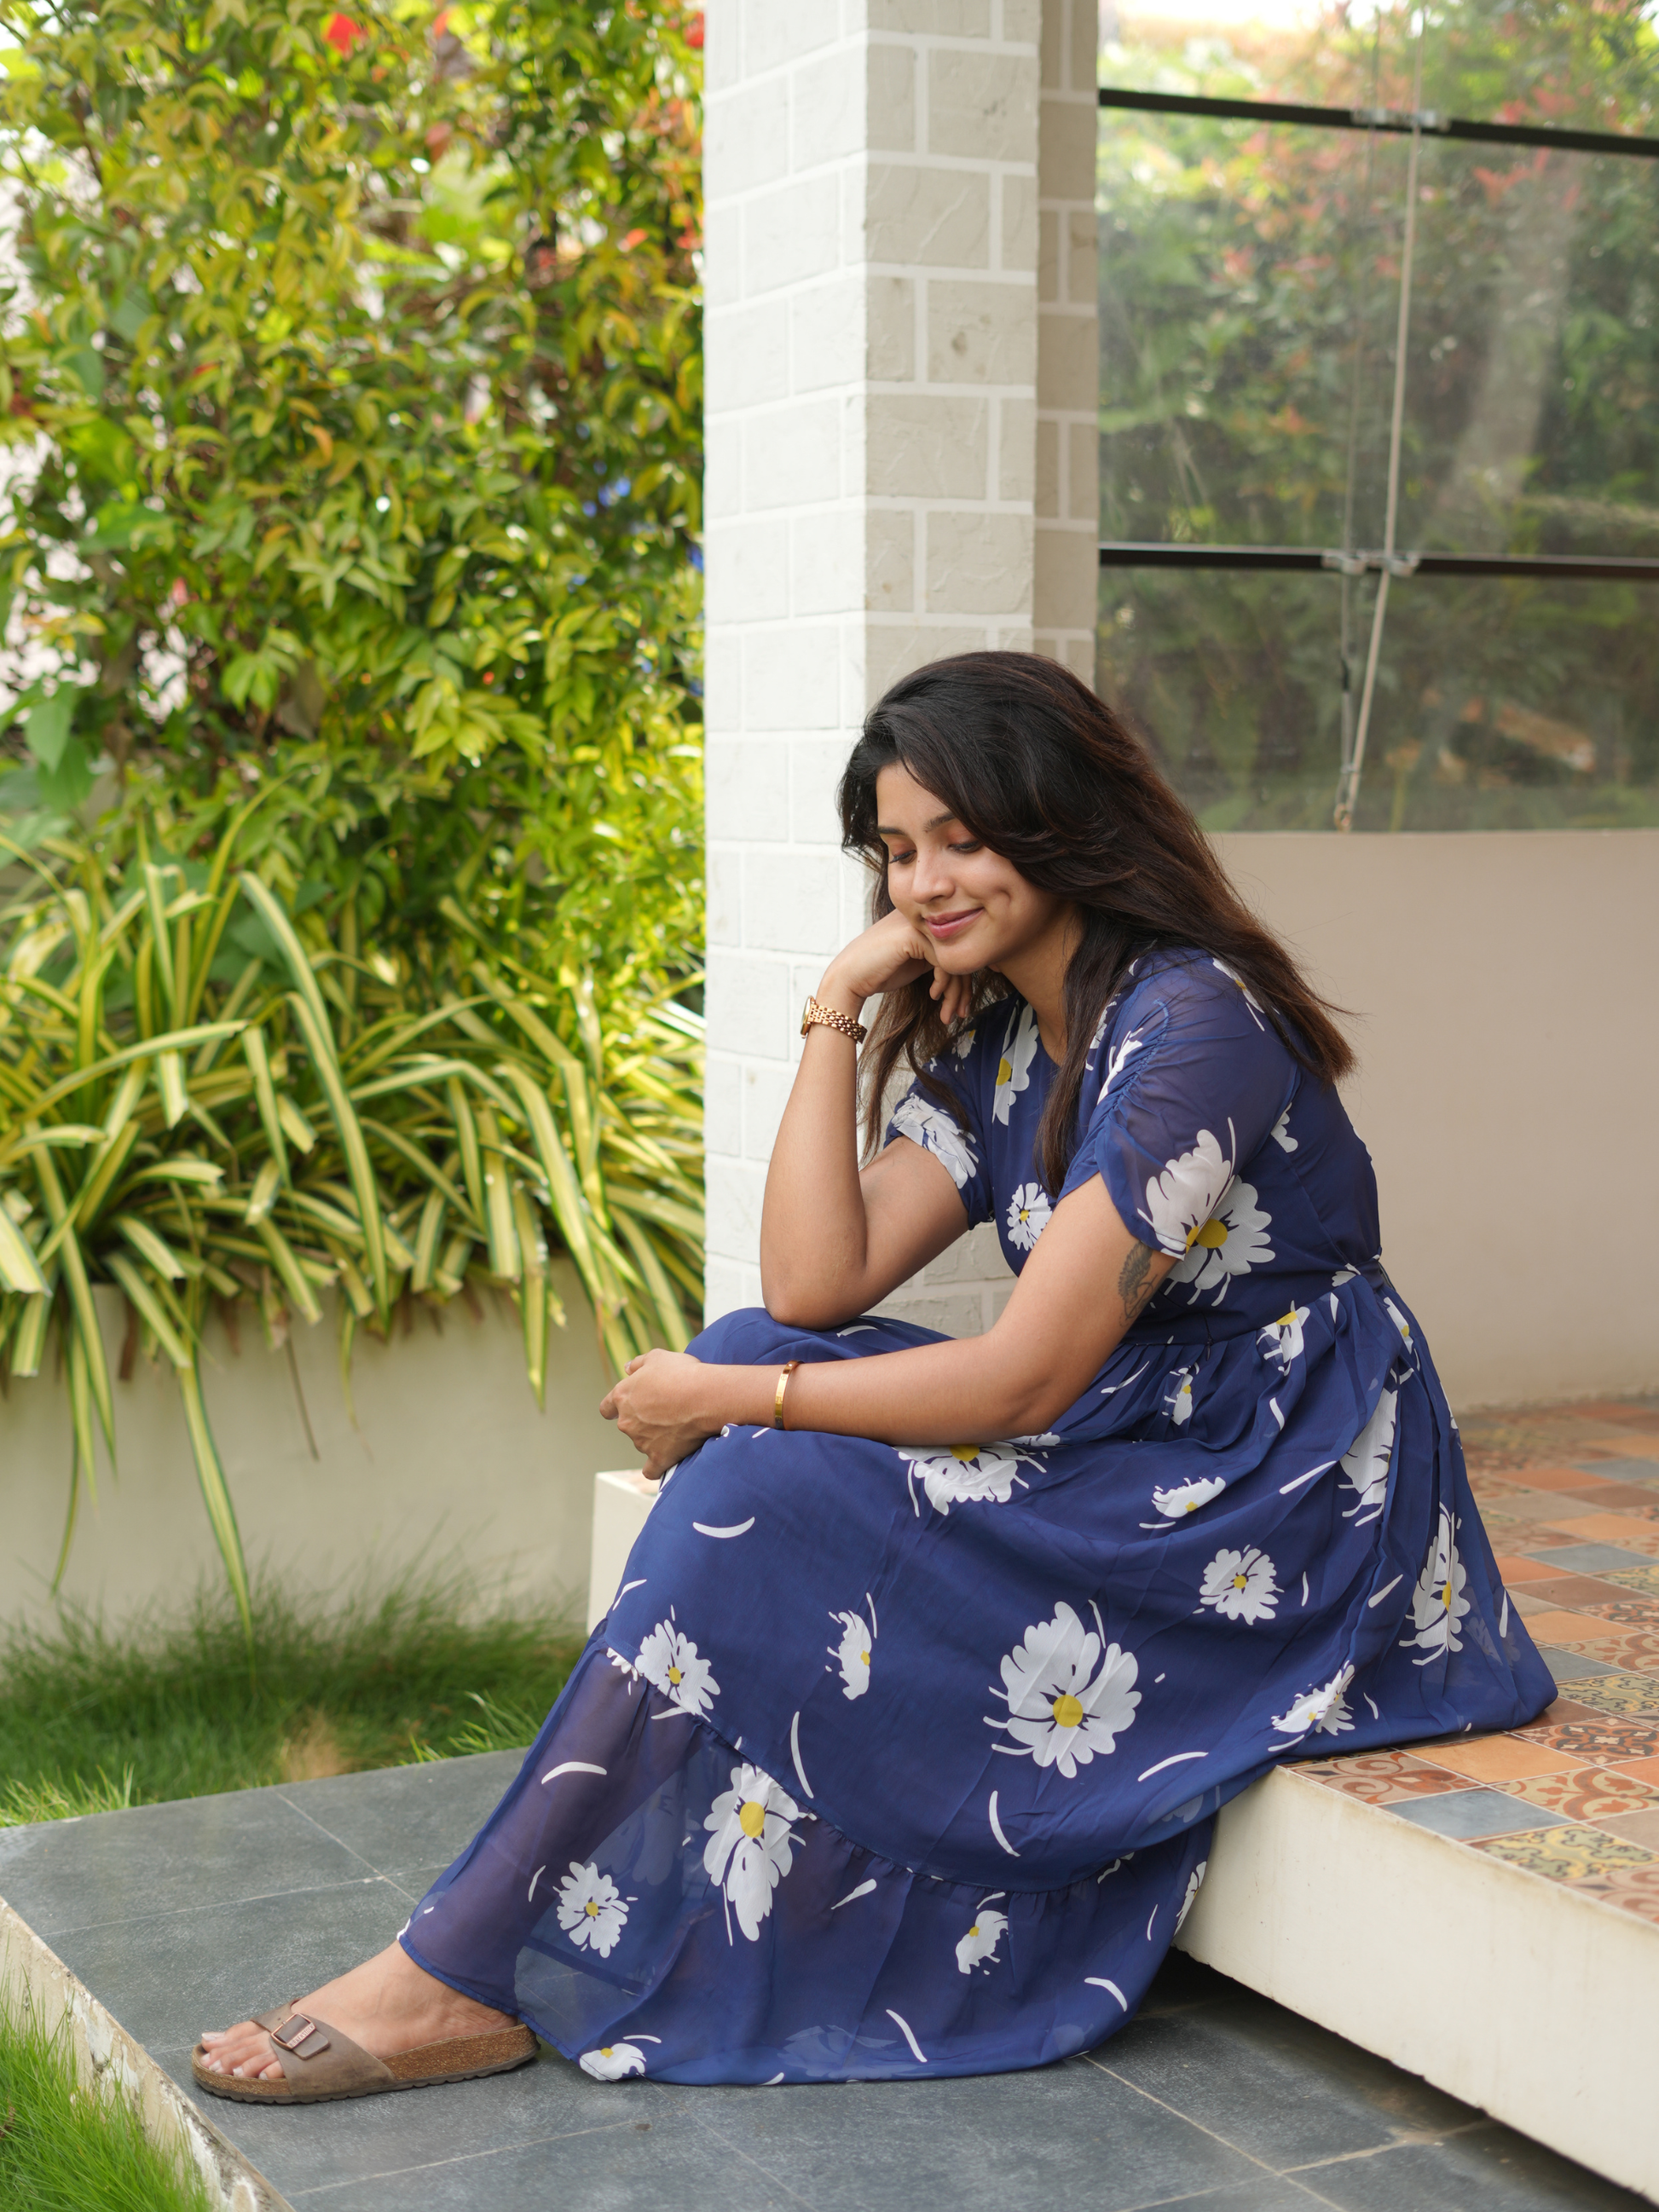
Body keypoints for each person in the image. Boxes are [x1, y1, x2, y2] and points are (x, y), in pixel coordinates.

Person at [195, 650, 1552, 2102]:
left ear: (1059, 815)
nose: (925, 881)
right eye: (895, 851)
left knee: (758, 1441)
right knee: (744, 1357)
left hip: (1269, 1475)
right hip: (1142, 1412)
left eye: (962, 837)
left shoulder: (1189, 1021)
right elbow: (813, 1286)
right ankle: (493, 1940)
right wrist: (838, 1003)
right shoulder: (1011, 1031)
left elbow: (1023, 1380)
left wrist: (737, 1411)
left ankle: (453, 1968)